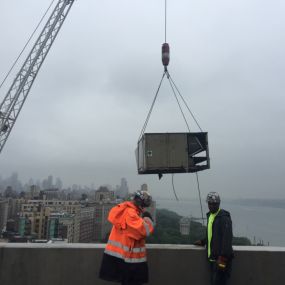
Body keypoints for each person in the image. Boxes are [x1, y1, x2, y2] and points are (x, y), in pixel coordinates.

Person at [99, 190, 154, 285]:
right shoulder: (130, 214)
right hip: (130, 262)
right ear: (140, 203)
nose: (145, 208)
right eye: (145, 205)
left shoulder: (127, 210)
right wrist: (147, 218)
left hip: (124, 259)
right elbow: (145, 231)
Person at [194, 192, 233, 285]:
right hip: (213, 259)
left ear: (218, 204)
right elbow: (212, 235)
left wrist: (222, 259)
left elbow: (227, 239)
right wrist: (203, 241)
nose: (211, 206)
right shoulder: (211, 216)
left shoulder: (223, 217)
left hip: (221, 260)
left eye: (214, 204)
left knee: (220, 282)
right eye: (209, 203)